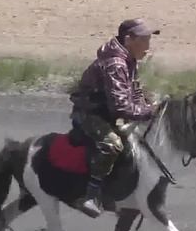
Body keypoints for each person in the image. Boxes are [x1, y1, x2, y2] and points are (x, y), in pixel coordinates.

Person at [68, 18, 160, 218]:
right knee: (113, 144)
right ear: (129, 39)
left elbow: (134, 91)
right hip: (90, 114)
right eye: (144, 41)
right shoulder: (116, 63)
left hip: (106, 112)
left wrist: (147, 105)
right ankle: (89, 195)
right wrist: (147, 112)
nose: (148, 47)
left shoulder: (129, 59)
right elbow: (119, 106)